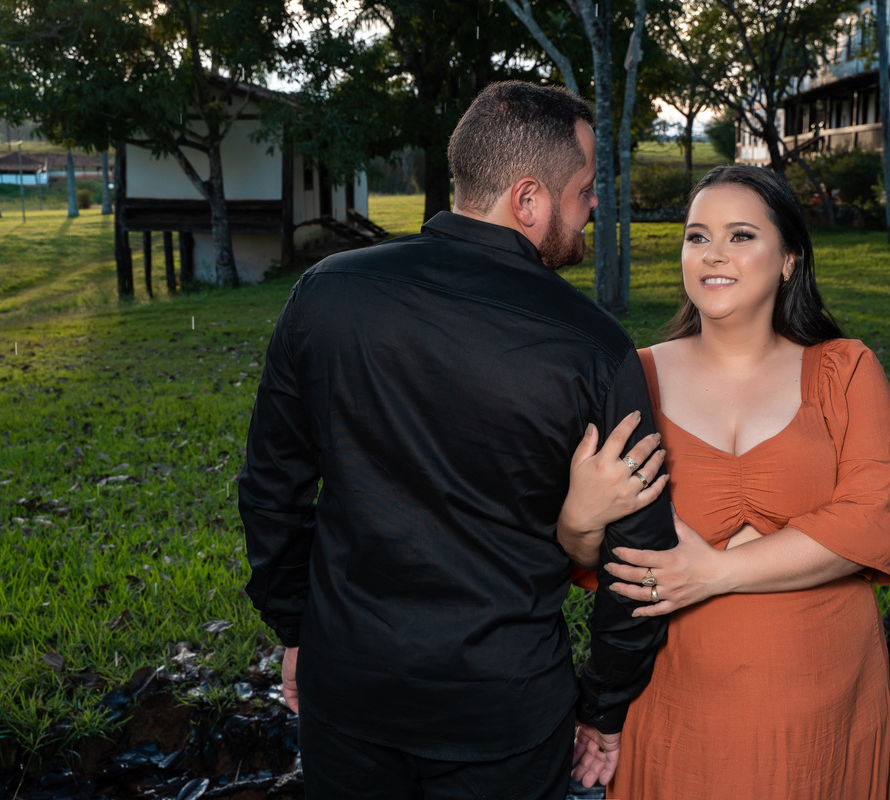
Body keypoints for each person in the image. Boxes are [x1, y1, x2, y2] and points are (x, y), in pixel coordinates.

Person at [237, 81, 675, 799]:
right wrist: (603, 704)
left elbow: (271, 491)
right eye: (585, 190)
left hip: (350, 684)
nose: (594, 205)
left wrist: (298, 629)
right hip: (502, 709)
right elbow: (640, 560)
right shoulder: (593, 347)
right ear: (528, 199)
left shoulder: (326, 293)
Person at [566, 164, 890, 798]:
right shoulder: (633, 377)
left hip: (822, 703)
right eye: (697, 237)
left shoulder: (845, 371)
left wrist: (714, 572)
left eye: (741, 235)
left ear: (789, 260)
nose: (713, 254)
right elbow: (602, 559)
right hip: (675, 700)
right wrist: (577, 520)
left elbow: (873, 522)